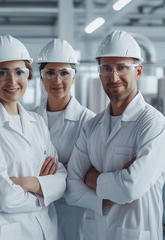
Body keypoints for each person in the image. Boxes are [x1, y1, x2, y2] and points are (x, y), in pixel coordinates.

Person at [65, 30, 165, 240]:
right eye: (106, 69)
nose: (114, 77)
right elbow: (71, 188)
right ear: (99, 73)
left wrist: (93, 178)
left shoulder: (153, 124)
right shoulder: (92, 125)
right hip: (94, 232)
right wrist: (110, 192)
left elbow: (131, 188)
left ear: (138, 71)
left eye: (122, 68)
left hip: (134, 233)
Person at [0, 35, 67, 240]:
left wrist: (29, 183)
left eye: (19, 72)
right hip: (5, 233)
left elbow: (62, 178)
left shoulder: (36, 122)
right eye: (2, 73)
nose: (12, 81)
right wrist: (44, 191)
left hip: (44, 230)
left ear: (28, 75)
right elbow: (3, 198)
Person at [34, 39, 95, 240]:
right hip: (35, 210)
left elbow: (84, 176)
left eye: (64, 73)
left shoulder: (89, 121)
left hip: (74, 212)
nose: (57, 80)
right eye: (50, 72)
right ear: (41, 77)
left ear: (74, 76)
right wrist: (63, 170)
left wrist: (43, 177)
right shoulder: (29, 119)